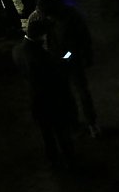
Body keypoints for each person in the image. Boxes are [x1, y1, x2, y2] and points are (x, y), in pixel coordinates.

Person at [12, 17, 78, 170]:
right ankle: (70, 161)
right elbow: (58, 67)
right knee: (61, 132)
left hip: (35, 100)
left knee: (46, 134)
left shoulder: (17, 50)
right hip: (52, 100)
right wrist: (68, 55)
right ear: (41, 35)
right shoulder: (39, 56)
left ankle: (53, 160)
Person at [30, 0, 100, 138]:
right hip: (55, 61)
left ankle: (91, 122)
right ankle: (74, 123)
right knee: (66, 94)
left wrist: (66, 58)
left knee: (81, 91)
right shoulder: (41, 18)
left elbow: (77, 43)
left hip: (70, 59)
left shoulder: (69, 17)